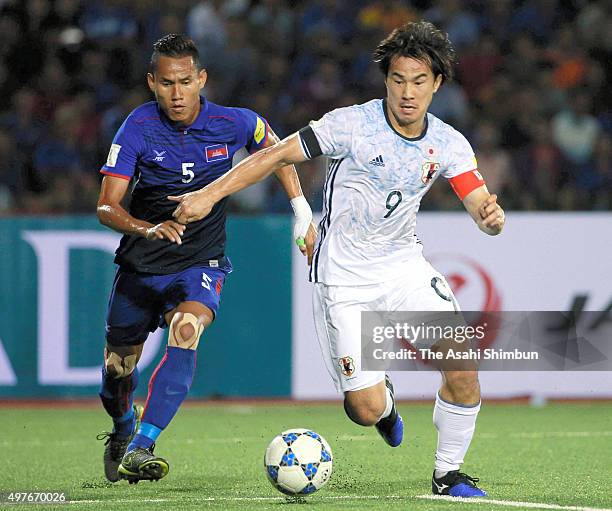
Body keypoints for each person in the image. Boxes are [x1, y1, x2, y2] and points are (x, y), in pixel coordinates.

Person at [170, 21, 505, 498]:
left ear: (437, 85)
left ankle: (447, 474)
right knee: (363, 409)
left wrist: (490, 219)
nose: (407, 93)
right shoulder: (351, 124)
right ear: (385, 80)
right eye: (398, 80)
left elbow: (478, 204)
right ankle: (385, 405)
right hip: (343, 278)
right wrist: (209, 194)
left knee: (463, 370)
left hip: (405, 267)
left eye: (419, 81)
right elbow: (276, 155)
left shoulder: (449, 142)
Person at [95, 34, 315, 484]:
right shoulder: (136, 127)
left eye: (186, 82)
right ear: (152, 82)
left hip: (201, 260)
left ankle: (142, 445)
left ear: (202, 79)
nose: (177, 94)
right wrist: (147, 227)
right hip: (142, 264)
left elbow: (278, 154)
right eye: (167, 83)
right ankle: (122, 427)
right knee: (118, 369)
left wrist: (300, 210)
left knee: (187, 329)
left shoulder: (236, 123)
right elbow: (106, 206)